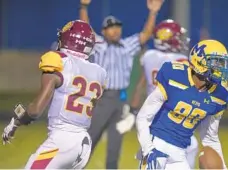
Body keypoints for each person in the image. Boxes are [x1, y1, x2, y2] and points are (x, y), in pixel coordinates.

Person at [1, 20, 107, 169]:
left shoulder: (59, 61)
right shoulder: (99, 72)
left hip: (62, 141)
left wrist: (15, 122)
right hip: (84, 143)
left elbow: (35, 111)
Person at [79, 0, 164, 169]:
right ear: (104, 31)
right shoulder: (99, 45)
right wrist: (84, 7)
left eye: (117, 26)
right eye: (111, 26)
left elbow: (145, 34)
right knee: (89, 140)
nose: (115, 29)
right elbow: (86, 29)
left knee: (115, 145)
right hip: (102, 99)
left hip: (121, 99)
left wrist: (153, 13)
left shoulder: (126, 46)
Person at [136, 39, 228, 169]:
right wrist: (148, 150)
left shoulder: (219, 95)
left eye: (222, 63)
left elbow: (210, 138)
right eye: (215, 62)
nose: (221, 68)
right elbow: (143, 117)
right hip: (156, 145)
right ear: (199, 62)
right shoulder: (175, 76)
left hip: (180, 153)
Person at [130, 19, 198, 169]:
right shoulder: (182, 61)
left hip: (152, 113)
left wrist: (133, 109)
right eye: (177, 37)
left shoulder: (148, 56)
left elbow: (140, 84)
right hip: (169, 116)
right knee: (188, 146)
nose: (180, 41)